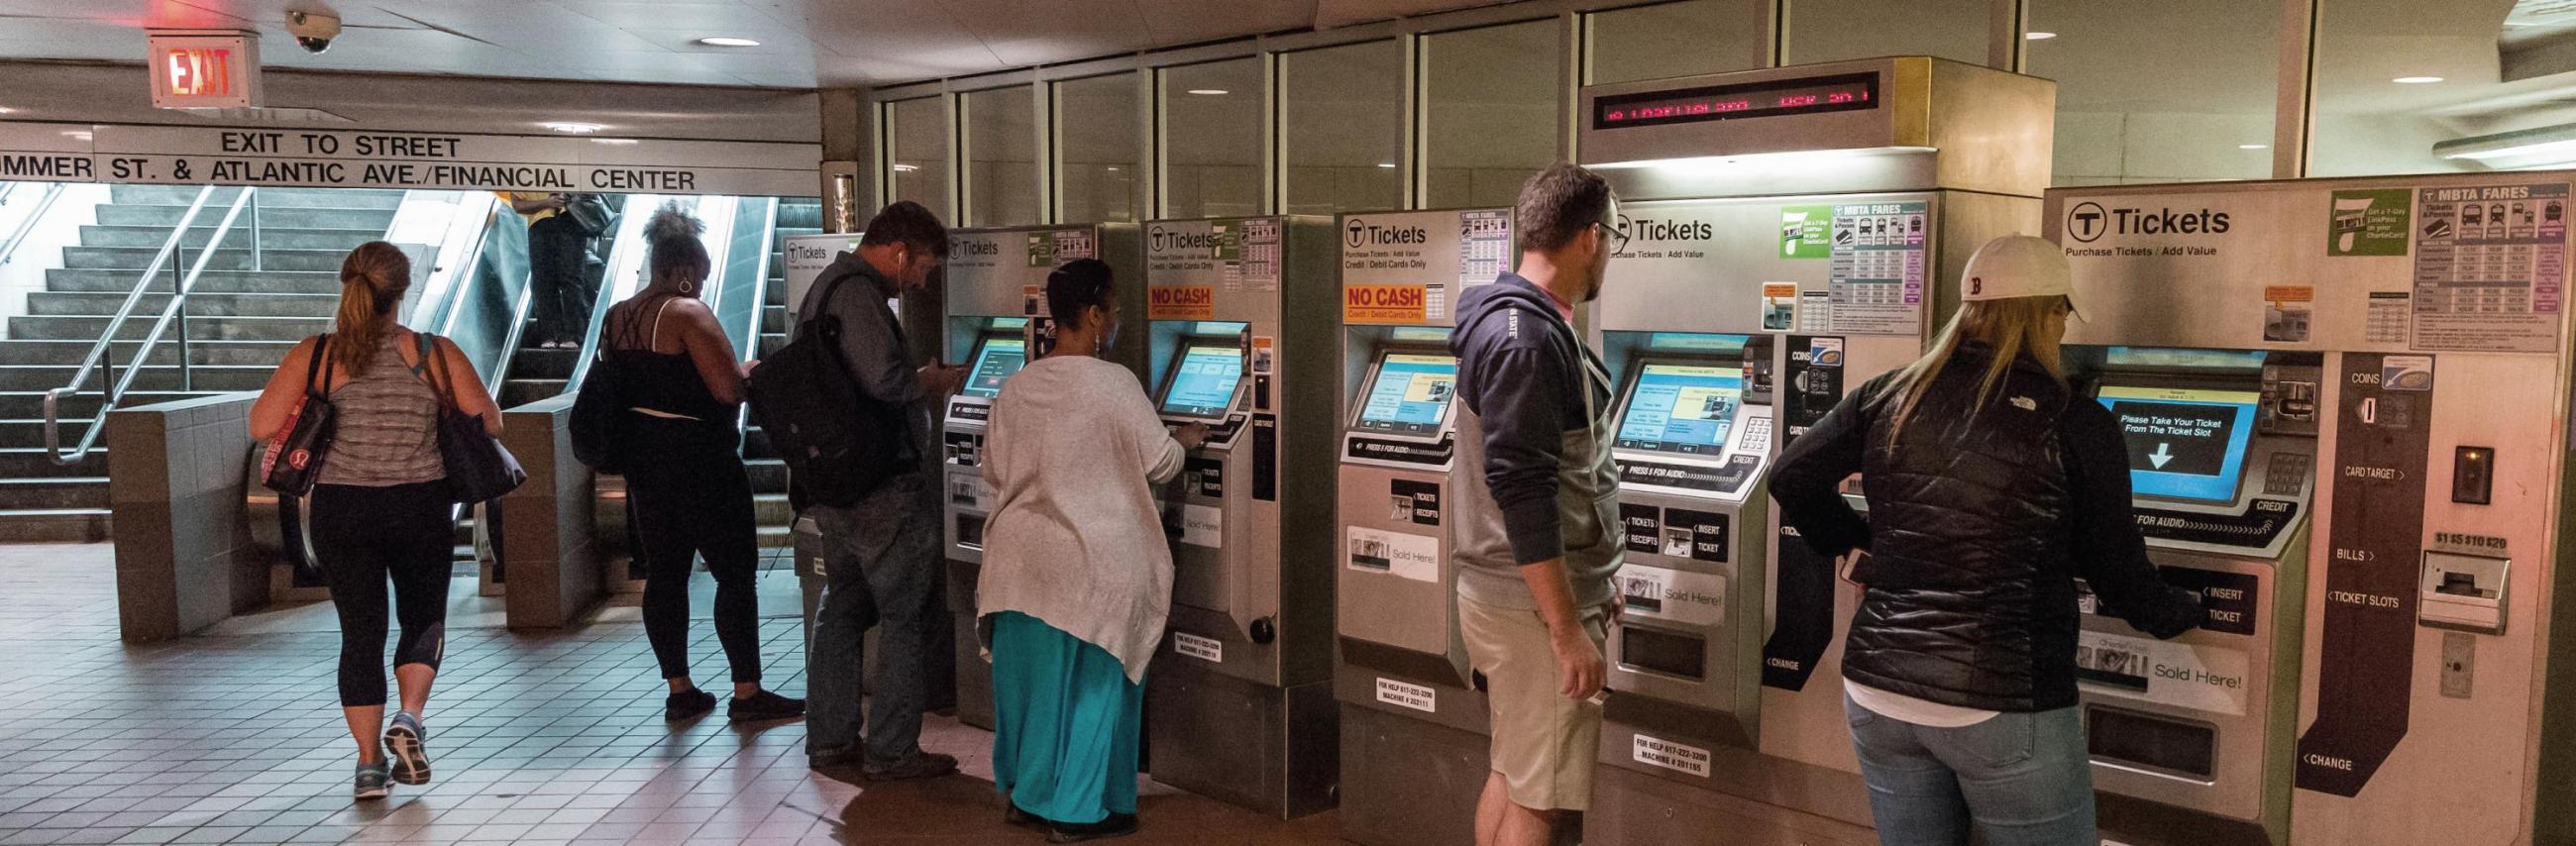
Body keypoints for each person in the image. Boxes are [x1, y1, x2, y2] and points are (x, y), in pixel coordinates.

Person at [1768, 235, 2203, 846]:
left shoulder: (1892, 393)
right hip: (2001, 700)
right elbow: (2117, 572)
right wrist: (2184, 613)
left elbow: (1789, 476)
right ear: (2048, 314)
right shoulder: (2074, 420)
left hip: (1880, 691)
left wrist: (1860, 544)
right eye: (2062, 315)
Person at [249, 242, 503, 801]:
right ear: (402, 290)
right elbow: (491, 419)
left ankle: (367, 767)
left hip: (343, 508)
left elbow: (262, 422)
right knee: (422, 619)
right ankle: (409, 719)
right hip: (420, 505)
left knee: (359, 634)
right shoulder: (435, 353)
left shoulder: (315, 355)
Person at [976, 259, 1208, 843]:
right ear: (1096, 314)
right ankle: (1079, 812)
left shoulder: (1018, 384)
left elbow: (993, 470)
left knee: (1032, 695)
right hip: (1092, 566)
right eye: (1117, 309)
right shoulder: (1115, 383)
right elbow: (1159, 463)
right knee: (1097, 688)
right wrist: (1186, 440)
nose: (1120, 320)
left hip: (1019, 565)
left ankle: (1029, 797)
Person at [1449, 162, 1629, 846]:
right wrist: (1565, 628)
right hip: (1528, 607)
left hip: (1511, 593)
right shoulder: (1525, 342)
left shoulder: (1509, 323)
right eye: (1613, 235)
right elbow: (1525, 493)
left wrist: (1586, 584)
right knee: (1542, 802)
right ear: (1589, 237)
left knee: (1516, 775)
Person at [597, 202, 805, 724]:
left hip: (645, 464)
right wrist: (747, 370)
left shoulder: (618, 316)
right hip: (700, 463)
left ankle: (680, 688)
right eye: (704, 274)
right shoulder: (686, 314)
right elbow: (726, 389)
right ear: (687, 270)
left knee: (665, 575)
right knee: (734, 573)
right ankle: (746, 691)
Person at [801, 200, 970, 780]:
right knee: (903, 613)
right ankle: (893, 750)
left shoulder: (827, 288)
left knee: (843, 605)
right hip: (877, 487)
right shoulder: (858, 293)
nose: (921, 281)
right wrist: (931, 381)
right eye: (922, 267)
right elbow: (883, 379)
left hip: (838, 483)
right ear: (898, 253)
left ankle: (829, 739)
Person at [498, 191, 593, 349]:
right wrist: (547, 202)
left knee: (571, 278)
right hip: (539, 223)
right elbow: (517, 205)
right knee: (543, 281)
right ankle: (550, 333)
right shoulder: (524, 172)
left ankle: (573, 333)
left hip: (571, 219)